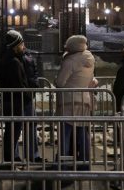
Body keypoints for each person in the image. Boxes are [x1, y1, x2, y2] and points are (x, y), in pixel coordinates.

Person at [0, 30, 38, 163]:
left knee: (12, 129)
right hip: (18, 100)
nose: (23, 46)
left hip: (14, 98)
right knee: (14, 130)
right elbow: (20, 83)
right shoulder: (14, 62)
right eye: (21, 43)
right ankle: (12, 159)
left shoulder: (6, 58)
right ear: (15, 45)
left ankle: (13, 158)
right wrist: (28, 94)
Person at [55, 35, 97, 164]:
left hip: (69, 101)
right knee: (82, 132)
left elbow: (60, 82)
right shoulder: (89, 57)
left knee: (65, 134)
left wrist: (55, 80)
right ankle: (85, 163)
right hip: (84, 100)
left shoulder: (70, 61)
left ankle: (64, 163)